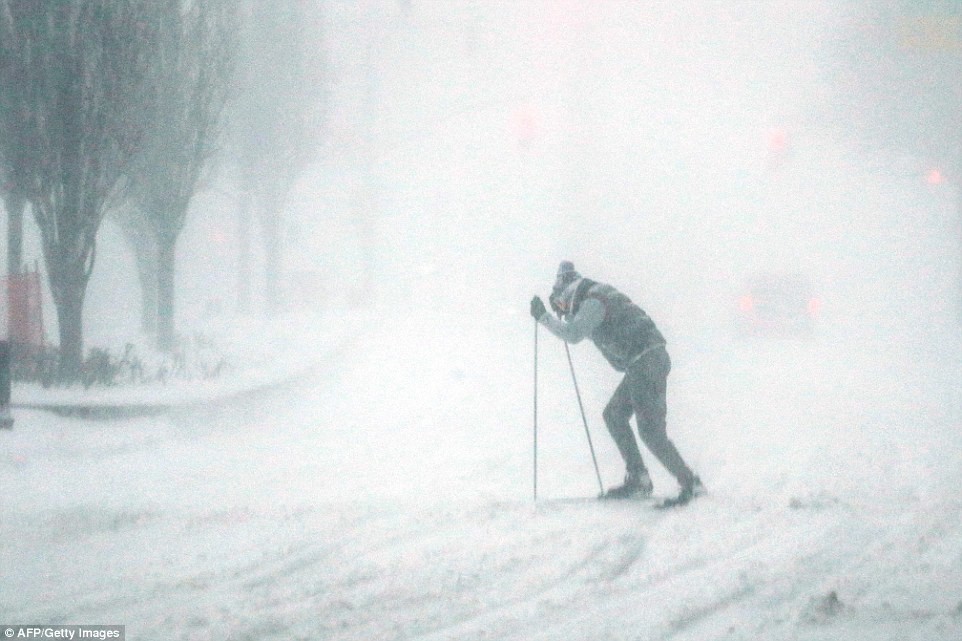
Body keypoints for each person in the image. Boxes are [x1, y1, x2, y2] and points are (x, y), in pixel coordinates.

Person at [530, 261, 703, 502]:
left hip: (646, 361)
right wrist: (563, 314)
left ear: (569, 291)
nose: (564, 309)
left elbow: (574, 333)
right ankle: (639, 478)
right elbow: (579, 325)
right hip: (644, 361)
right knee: (614, 414)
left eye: (563, 302)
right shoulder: (596, 295)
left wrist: (545, 318)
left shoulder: (593, 301)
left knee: (651, 432)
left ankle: (688, 483)